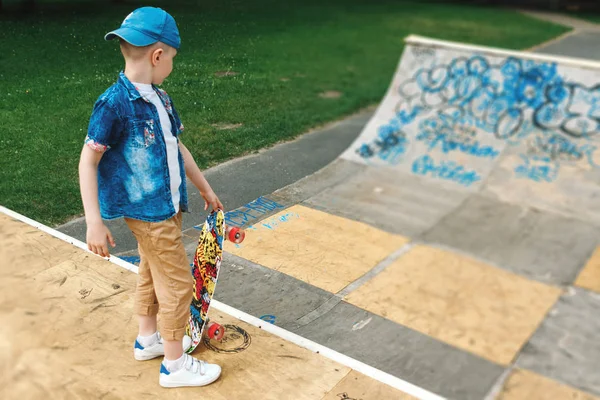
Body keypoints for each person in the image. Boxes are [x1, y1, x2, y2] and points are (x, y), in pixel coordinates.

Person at [78, 6, 223, 388]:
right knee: (177, 285)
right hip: (149, 214)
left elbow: (177, 148)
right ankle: (175, 366)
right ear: (158, 55)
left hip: (168, 206)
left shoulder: (160, 98)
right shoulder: (114, 104)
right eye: (172, 58)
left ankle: (148, 339)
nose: (171, 65)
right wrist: (94, 220)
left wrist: (204, 187)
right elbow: (88, 160)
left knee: (150, 270)